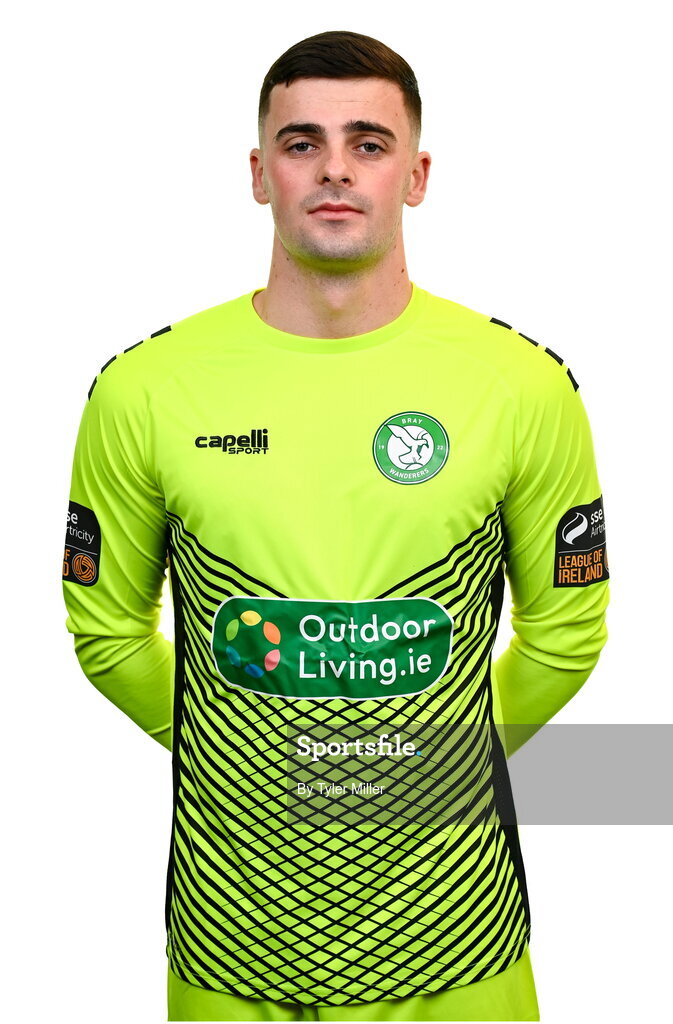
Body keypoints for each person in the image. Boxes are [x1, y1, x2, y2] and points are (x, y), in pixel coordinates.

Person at [62, 29, 610, 1023]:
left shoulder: (522, 385)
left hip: (460, 950)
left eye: (367, 142)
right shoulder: (143, 389)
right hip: (235, 948)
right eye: (301, 142)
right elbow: (103, 631)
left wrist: (422, 769)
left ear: (416, 174)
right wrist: (251, 759)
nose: (334, 169)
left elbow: (567, 632)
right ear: (259, 172)